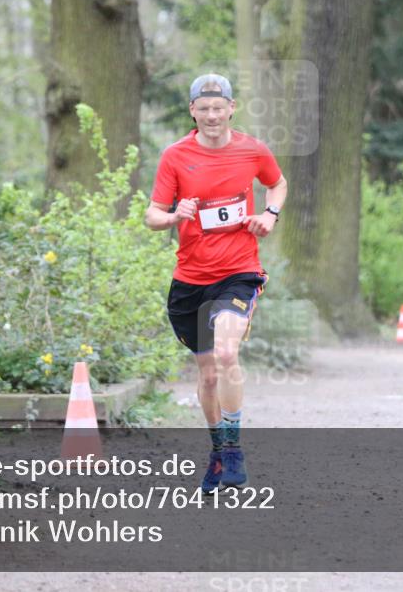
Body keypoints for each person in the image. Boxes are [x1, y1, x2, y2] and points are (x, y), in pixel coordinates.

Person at [144, 73, 288, 493]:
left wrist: (270, 215)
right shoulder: (175, 156)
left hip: (238, 270)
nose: (211, 115)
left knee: (227, 352)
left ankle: (234, 450)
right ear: (192, 111)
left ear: (231, 107)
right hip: (190, 279)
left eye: (218, 107)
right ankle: (217, 452)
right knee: (207, 376)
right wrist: (174, 215)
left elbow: (277, 183)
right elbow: (152, 215)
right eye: (203, 108)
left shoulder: (251, 149)